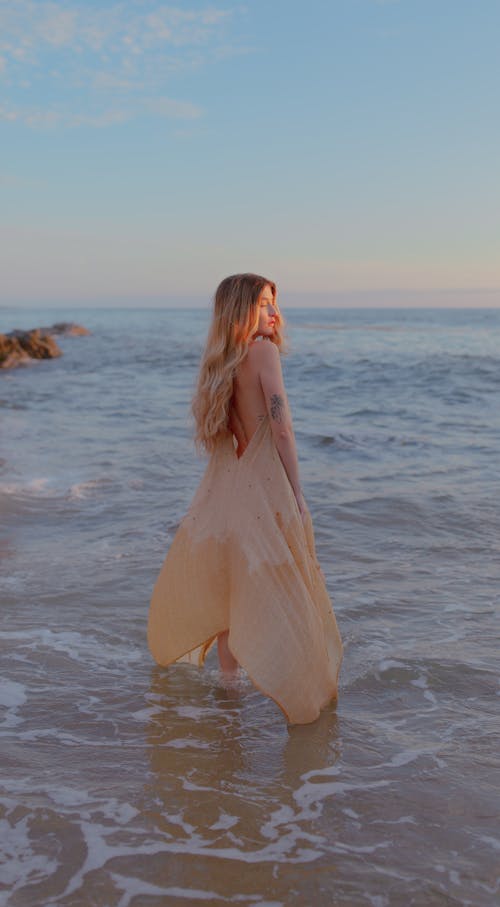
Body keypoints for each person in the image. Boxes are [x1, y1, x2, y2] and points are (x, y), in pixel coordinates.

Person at [148, 273, 342, 724]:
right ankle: (299, 685)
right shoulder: (264, 351)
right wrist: (297, 491)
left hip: (228, 490)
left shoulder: (220, 362)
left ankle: (230, 691)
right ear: (242, 312)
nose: (274, 313)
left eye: (275, 303)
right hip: (265, 486)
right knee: (289, 585)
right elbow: (282, 426)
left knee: (230, 591)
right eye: (263, 304)